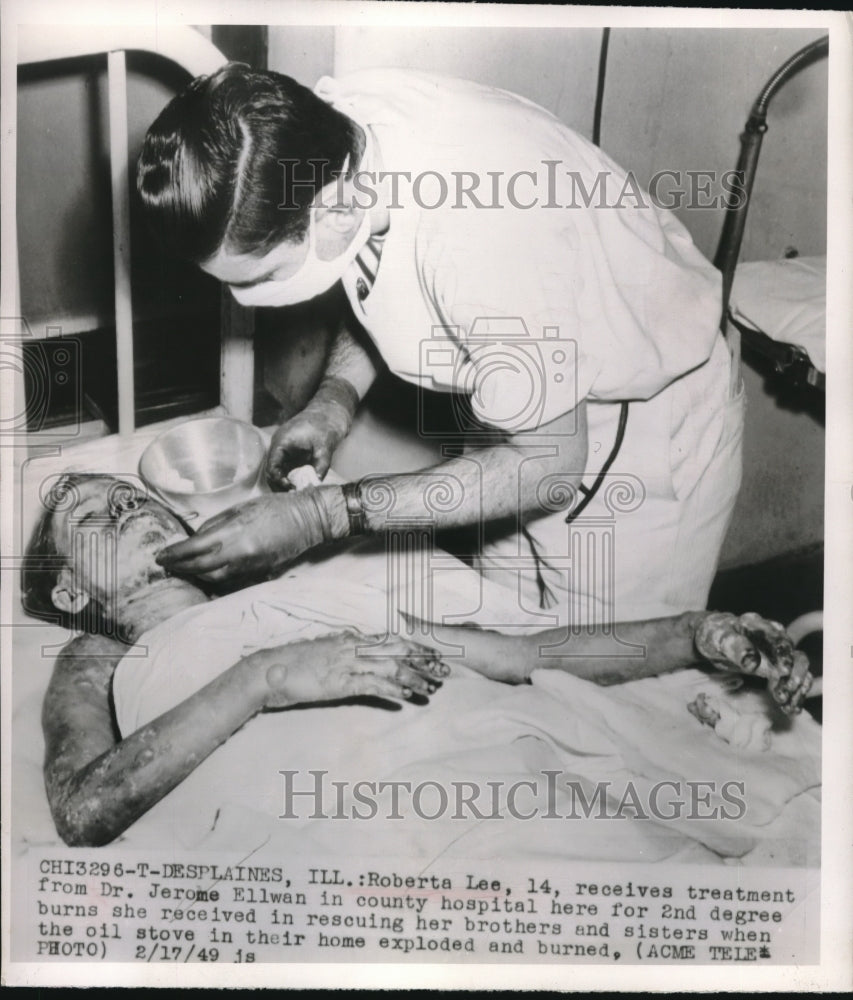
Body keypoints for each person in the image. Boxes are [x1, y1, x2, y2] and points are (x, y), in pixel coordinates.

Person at [136, 64, 744, 629]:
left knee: (605, 686)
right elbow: (374, 275)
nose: (246, 302)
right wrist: (335, 399)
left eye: (261, 277)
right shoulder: (325, 132)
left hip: (628, 423)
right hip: (518, 405)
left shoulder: (483, 249)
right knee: (501, 637)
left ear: (337, 212)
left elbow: (551, 464)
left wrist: (319, 515)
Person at [22, 475, 811, 846]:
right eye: (98, 514)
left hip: (498, 761)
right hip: (364, 830)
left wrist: (693, 632)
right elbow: (85, 809)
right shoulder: (98, 655)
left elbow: (522, 655)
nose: (128, 507)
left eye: (135, 497)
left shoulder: (304, 593)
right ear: (67, 593)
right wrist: (266, 677)